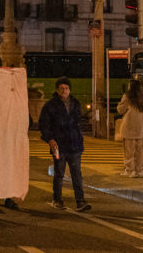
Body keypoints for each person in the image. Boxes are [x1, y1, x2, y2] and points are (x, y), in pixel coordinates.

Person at [38, 77, 91, 211]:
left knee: (76, 173)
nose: (64, 91)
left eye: (66, 88)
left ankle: (80, 201)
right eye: (62, 88)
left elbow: (79, 121)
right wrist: (49, 139)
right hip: (59, 145)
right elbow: (43, 124)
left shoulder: (75, 103)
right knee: (59, 173)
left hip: (74, 145)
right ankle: (57, 199)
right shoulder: (51, 105)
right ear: (57, 90)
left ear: (70, 90)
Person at [117, 80, 143, 178]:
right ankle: (139, 170)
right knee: (139, 150)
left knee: (128, 150)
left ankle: (130, 170)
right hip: (141, 127)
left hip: (129, 126)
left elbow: (121, 110)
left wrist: (119, 105)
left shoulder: (128, 96)